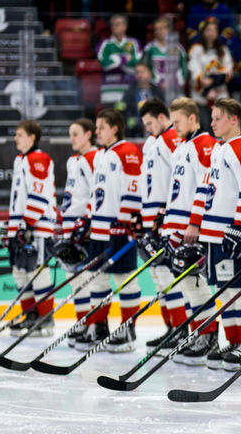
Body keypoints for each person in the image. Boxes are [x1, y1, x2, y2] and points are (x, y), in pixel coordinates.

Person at [183, 97, 241, 370]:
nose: (213, 123)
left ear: (234, 119)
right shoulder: (220, 149)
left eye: (218, 118)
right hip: (214, 232)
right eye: (212, 117)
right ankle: (233, 341)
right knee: (223, 289)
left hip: (232, 232)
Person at [82, 110, 144, 351]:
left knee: (125, 279)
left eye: (101, 127)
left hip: (118, 230)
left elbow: (133, 190)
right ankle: (99, 326)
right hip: (99, 229)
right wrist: (88, 220)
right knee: (96, 280)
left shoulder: (127, 152)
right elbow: (96, 192)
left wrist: (124, 221)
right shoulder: (102, 155)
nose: (96, 132)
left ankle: (128, 329)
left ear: (115, 128)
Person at [165, 98, 220, 364]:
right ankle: (197, 332)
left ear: (191, 118)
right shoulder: (182, 146)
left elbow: (205, 186)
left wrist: (195, 222)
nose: (173, 126)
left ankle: (208, 335)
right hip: (178, 224)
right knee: (186, 286)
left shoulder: (204, 144)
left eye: (177, 121)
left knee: (196, 284)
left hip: (191, 226)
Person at [4, 120, 56, 336]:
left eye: (20, 135)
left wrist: (26, 224)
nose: (16, 138)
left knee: (38, 274)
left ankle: (45, 320)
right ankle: (31, 315)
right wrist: (11, 226)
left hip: (36, 228)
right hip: (22, 227)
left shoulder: (38, 159)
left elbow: (39, 194)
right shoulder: (21, 160)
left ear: (32, 137)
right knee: (20, 273)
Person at [136, 99, 179, 347]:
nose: (148, 128)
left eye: (150, 122)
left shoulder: (172, 138)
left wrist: (166, 210)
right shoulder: (152, 142)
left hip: (165, 216)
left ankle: (180, 329)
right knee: (158, 277)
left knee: (168, 275)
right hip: (149, 216)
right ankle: (170, 327)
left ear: (163, 117)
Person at [59, 118, 98, 335]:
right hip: (69, 225)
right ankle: (81, 322)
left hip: (83, 226)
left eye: (75, 133)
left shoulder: (94, 158)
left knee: (87, 277)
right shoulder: (72, 160)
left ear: (88, 135)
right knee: (73, 279)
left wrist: (87, 220)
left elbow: (96, 192)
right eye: (70, 134)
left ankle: (92, 323)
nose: (71, 138)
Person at [188, 19, 234, 129]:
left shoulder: (223, 50)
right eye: (208, 30)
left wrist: (213, 81)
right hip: (201, 96)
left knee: (220, 128)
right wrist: (206, 90)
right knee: (203, 128)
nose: (211, 33)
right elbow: (194, 71)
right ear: (203, 32)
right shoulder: (196, 49)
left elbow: (228, 72)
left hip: (220, 96)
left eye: (214, 30)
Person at [97, 14, 142, 106]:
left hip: (129, 92)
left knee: (129, 120)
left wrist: (113, 59)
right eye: (112, 25)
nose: (114, 27)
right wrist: (124, 58)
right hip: (109, 94)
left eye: (117, 24)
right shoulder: (105, 44)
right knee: (110, 120)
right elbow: (104, 64)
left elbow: (135, 64)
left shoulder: (134, 43)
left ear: (125, 26)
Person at [142, 17, 188, 98]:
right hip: (155, 90)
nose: (158, 31)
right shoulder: (149, 49)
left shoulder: (178, 48)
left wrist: (174, 83)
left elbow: (184, 69)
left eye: (162, 28)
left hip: (175, 89)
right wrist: (159, 83)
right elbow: (146, 70)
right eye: (156, 29)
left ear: (169, 30)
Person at [120, 62, 165, 135]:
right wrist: (130, 121)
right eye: (137, 72)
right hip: (135, 132)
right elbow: (124, 112)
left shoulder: (157, 91)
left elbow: (163, 111)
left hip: (156, 131)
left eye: (143, 72)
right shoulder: (129, 92)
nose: (140, 75)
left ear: (150, 73)